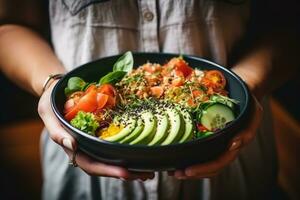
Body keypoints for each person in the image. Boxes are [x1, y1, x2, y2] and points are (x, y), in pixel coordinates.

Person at [0, 0, 299, 199]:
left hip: (235, 175)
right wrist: (51, 85)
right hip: (82, 175)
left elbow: (287, 24)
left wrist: (246, 84)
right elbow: (9, 26)